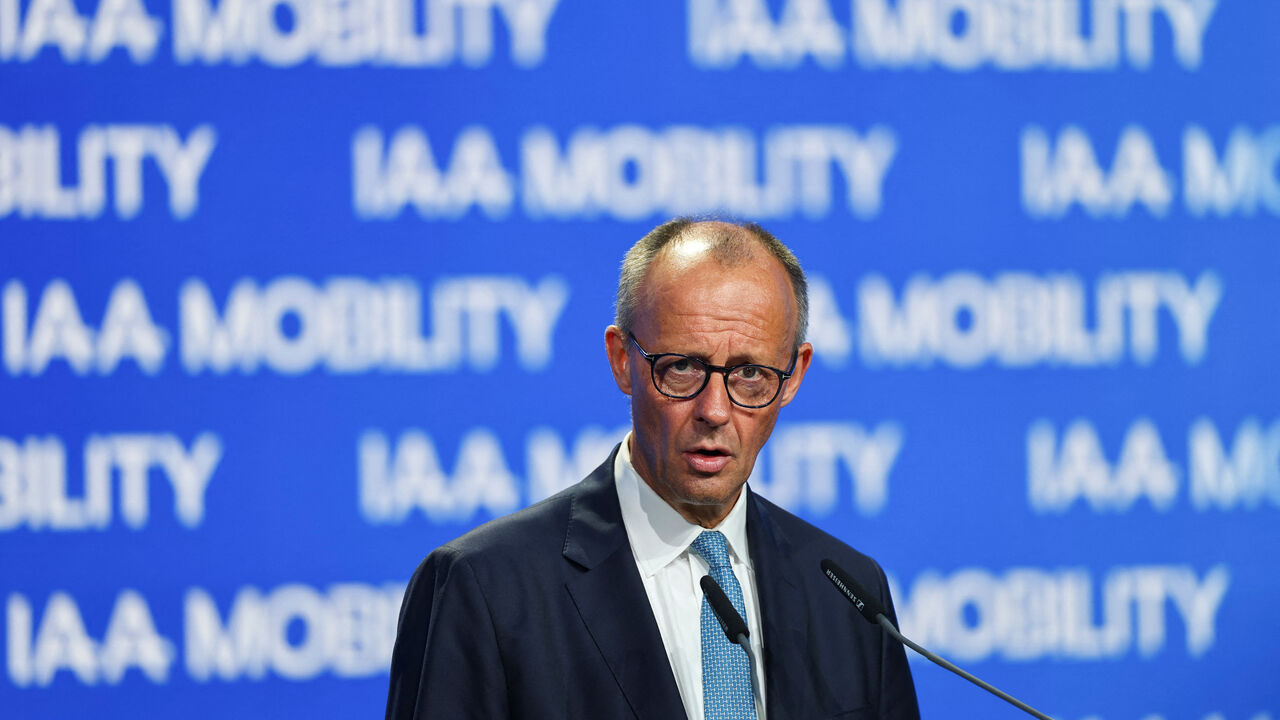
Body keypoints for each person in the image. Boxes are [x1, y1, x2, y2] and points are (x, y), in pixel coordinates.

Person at [385, 218, 920, 719]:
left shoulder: (850, 594)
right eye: (682, 367)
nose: (715, 410)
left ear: (794, 375)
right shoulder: (485, 587)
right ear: (623, 359)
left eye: (750, 374)